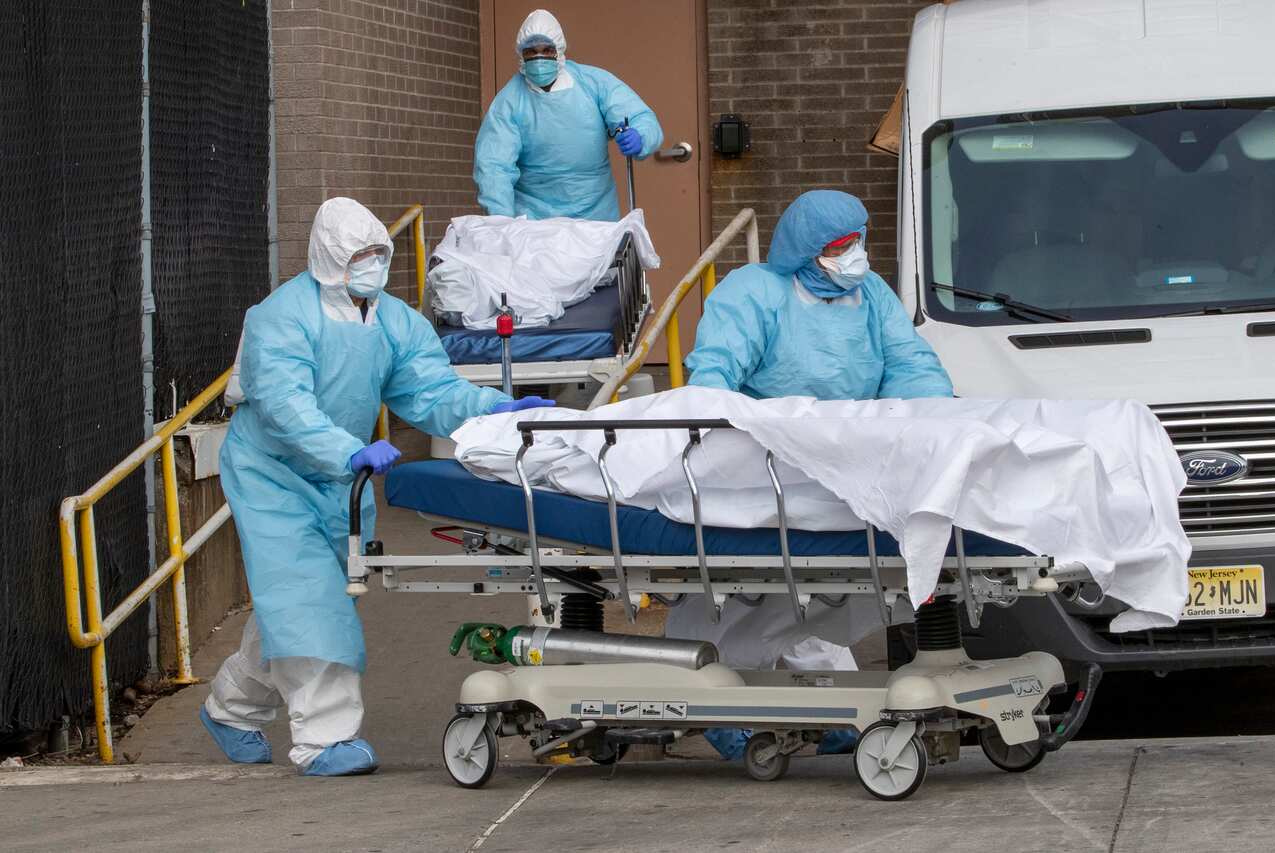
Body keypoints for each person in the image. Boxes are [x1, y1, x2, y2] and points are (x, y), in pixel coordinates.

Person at [199, 198, 553, 776]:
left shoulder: (391, 319)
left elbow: (432, 392)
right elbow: (284, 406)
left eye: (378, 254)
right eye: (359, 255)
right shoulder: (281, 317)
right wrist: (347, 449)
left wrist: (497, 411)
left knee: (293, 604)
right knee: (312, 604)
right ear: (331, 258)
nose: (371, 265)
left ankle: (230, 708)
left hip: (342, 477)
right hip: (273, 477)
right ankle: (324, 741)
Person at [671, 189, 954, 760]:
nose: (855, 255)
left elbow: (908, 362)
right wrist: (711, 428)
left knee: (812, 593)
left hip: (846, 457)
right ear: (808, 249)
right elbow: (717, 369)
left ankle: (824, 711)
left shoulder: (870, 294)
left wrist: (935, 419)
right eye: (840, 246)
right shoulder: (755, 293)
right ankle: (715, 705)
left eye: (858, 241)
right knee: (747, 592)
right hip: (766, 457)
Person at [473, 9, 663, 221]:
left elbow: (639, 117)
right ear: (521, 54)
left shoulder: (593, 83)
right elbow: (494, 167)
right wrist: (502, 222)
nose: (539, 57)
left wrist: (640, 137)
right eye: (531, 52)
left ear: (559, 50)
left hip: (595, 214)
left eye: (547, 50)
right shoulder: (509, 102)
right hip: (534, 221)